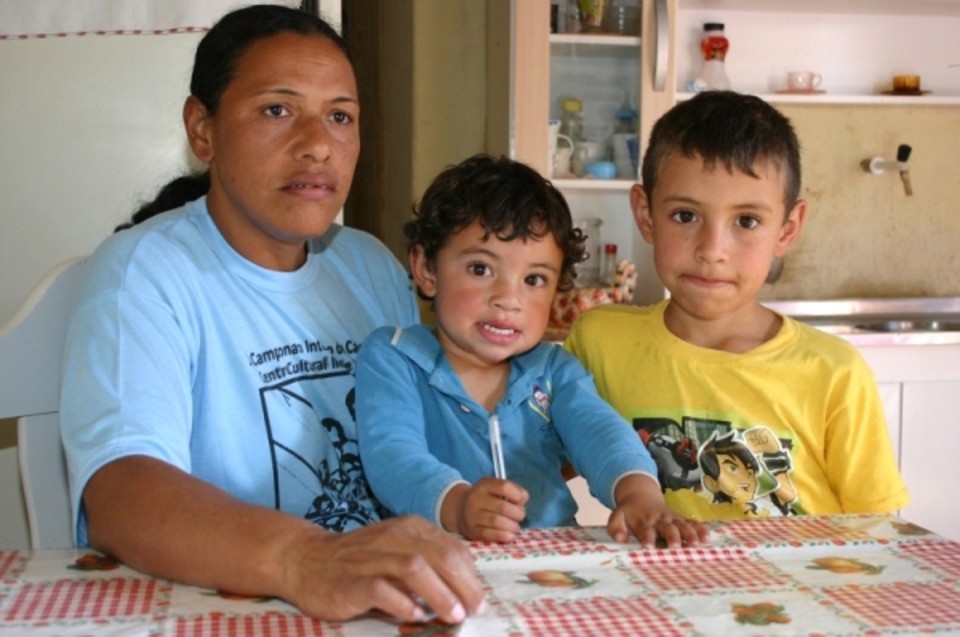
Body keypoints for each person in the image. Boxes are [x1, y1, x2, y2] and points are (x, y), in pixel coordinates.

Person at [59, 5, 485, 624]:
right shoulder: (143, 272)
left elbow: (421, 439)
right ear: (202, 129)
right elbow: (121, 492)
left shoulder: (369, 267)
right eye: (277, 109)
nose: (317, 145)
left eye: (340, 116)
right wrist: (307, 559)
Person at [566, 91, 910, 519]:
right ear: (645, 213)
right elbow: (536, 457)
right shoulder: (600, 342)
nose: (713, 250)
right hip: (658, 586)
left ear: (787, 229)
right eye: (686, 216)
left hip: (798, 585)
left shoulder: (835, 372)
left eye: (746, 221)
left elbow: (873, 532)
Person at [355, 154, 709, 548]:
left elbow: (601, 432)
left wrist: (638, 495)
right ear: (426, 269)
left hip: (548, 563)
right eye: (480, 269)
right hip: (431, 562)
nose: (509, 299)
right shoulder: (394, 358)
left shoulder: (555, 371)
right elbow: (392, 456)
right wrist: (459, 507)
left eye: (534, 279)